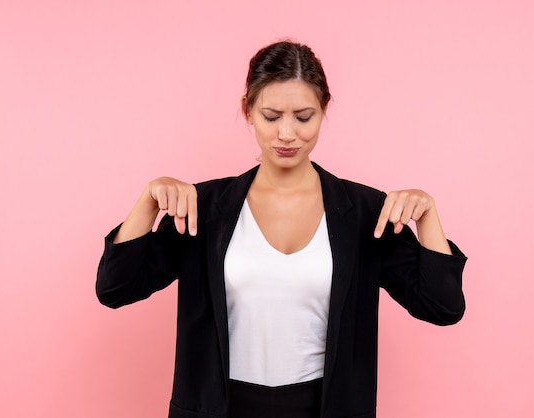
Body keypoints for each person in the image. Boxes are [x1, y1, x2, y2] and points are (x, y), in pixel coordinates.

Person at [96, 40, 467, 418]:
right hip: (219, 409)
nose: (287, 134)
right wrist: (147, 201)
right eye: (272, 116)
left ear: (324, 111)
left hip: (326, 408)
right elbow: (115, 288)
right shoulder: (203, 210)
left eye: (303, 117)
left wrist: (428, 216)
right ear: (248, 111)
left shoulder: (364, 214)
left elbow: (442, 307)